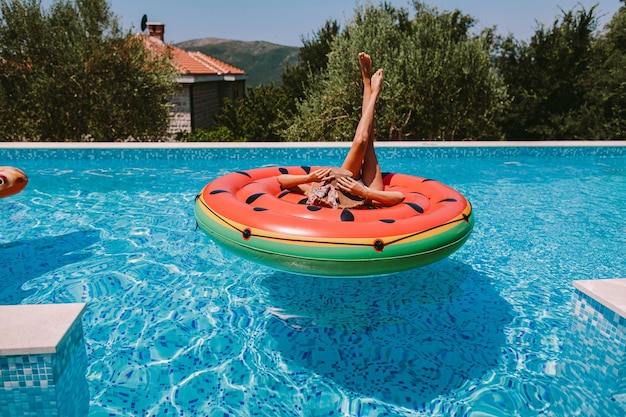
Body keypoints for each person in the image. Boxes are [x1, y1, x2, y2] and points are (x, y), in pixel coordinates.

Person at [277, 53, 405, 208]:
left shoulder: (313, 191)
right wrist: (363, 191)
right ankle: (371, 89)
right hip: (365, 194)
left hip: (342, 181)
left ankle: (367, 82)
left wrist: (309, 178)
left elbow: (281, 180)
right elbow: (399, 197)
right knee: (368, 141)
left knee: (360, 142)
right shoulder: (365, 198)